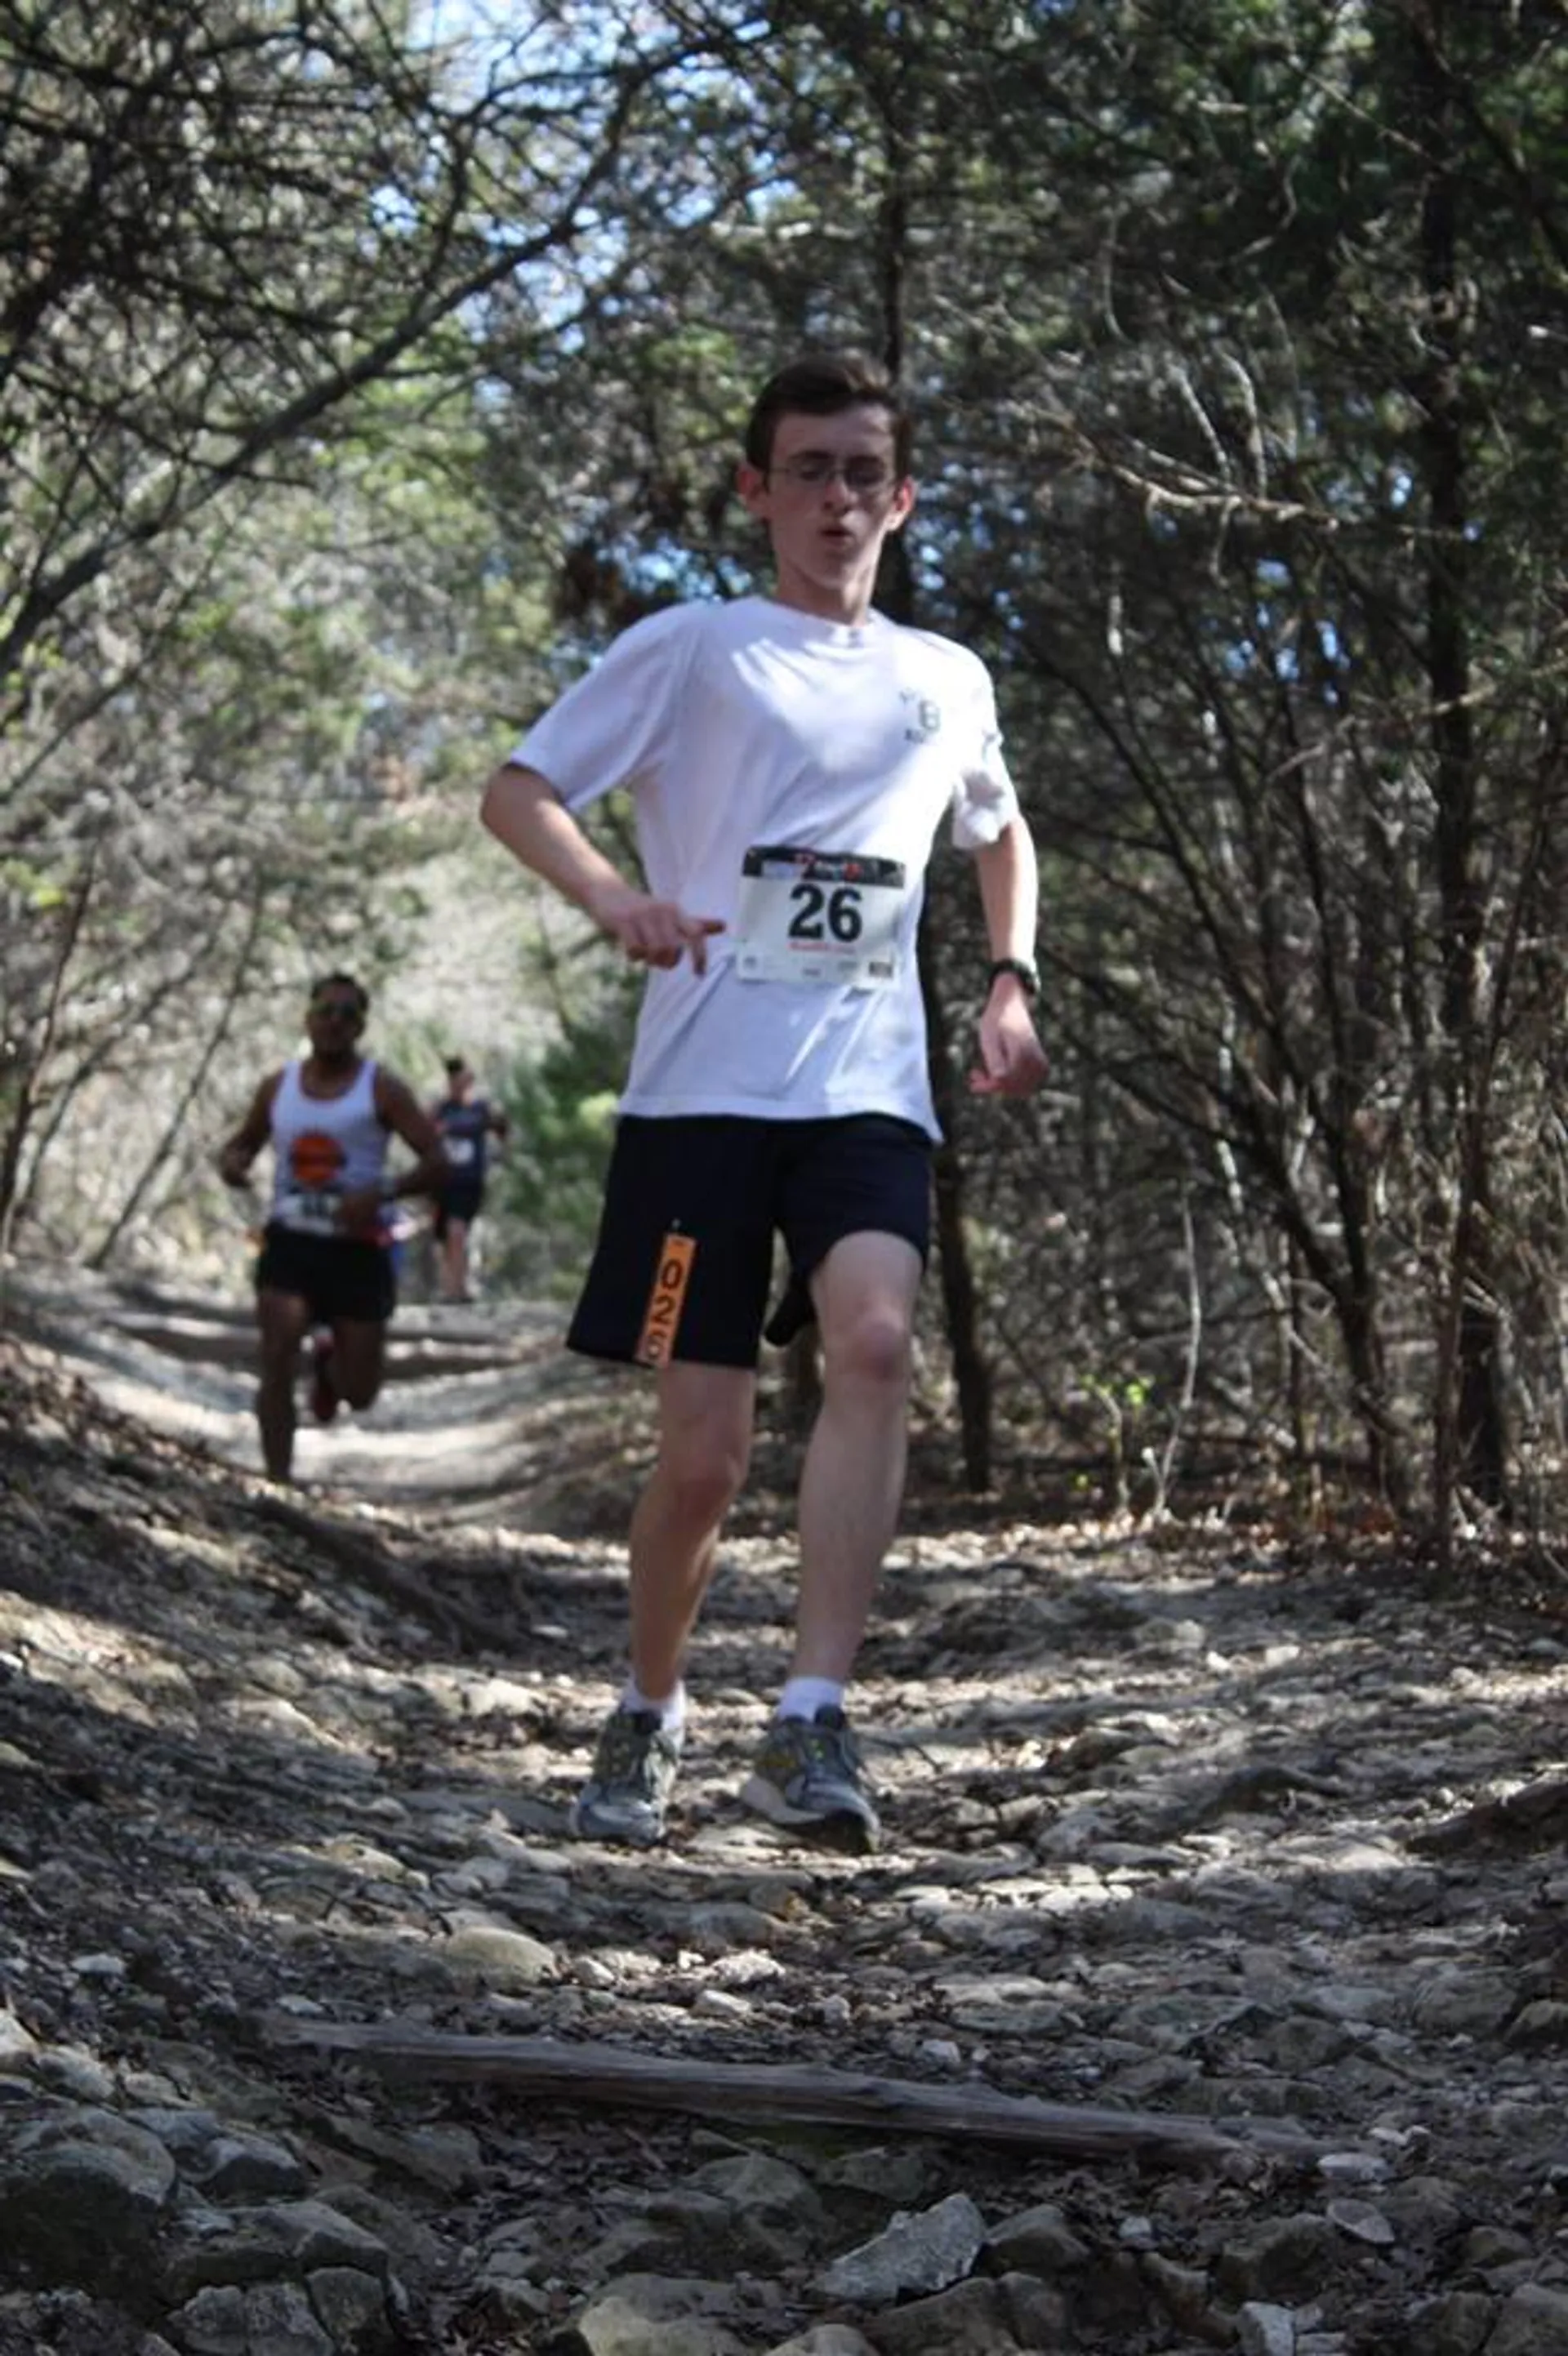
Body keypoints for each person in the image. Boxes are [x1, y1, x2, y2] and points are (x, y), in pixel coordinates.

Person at [480, 350, 1048, 1852]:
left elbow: (999, 830)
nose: (839, 498)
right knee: (707, 1452)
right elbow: (521, 788)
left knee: (873, 1343)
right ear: (757, 491)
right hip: (699, 1114)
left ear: (902, 499)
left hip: (866, 1095)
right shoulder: (695, 649)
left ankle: (809, 1720)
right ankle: (649, 1709)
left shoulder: (946, 679)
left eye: (867, 472)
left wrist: (1009, 979)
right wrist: (619, 901)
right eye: (810, 469)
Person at [216, 973, 451, 1484]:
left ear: (360, 1026)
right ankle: (278, 1482)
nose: (335, 1021)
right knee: (276, 1357)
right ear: (308, 1017)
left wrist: (382, 1192)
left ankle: (329, 1364)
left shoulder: (382, 1089)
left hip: (358, 1249)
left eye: (348, 1014)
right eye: (326, 1010)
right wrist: (233, 1164)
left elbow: (439, 1161)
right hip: (291, 1240)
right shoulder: (278, 1087)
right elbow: (241, 1145)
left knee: (360, 1393)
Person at [430, 1054, 509, 1302]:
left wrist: (498, 1155)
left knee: (458, 1231)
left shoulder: (481, 1109)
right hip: (444, 1182)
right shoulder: (440, 1110)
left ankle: (458, 1289)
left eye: (463, 1078)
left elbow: (502, 1130)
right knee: (446, 1236)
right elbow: (425, 1138)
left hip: (469, 1181)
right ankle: (450, 1285)